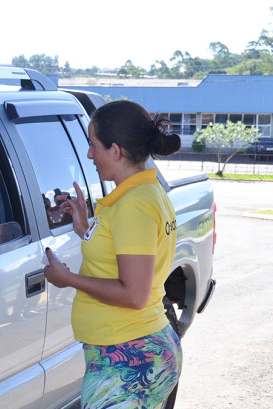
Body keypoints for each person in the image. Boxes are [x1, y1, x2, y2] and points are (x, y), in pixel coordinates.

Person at [43, 100, 183, 408]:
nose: (90, 155)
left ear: (115, 151)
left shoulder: (134, 204)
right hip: (136, 350)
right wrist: (85, 229)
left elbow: (133, 294)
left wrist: (68, 279)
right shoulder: (144, 193)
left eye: (93, 145)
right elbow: (127, 252)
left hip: (127, 360)